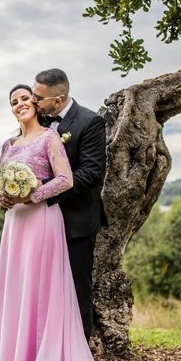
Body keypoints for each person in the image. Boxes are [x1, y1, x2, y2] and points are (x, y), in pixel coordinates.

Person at [0, 84, 144, 361]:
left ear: (37, 103)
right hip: (15, 225)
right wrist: (1, 195)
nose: (20, 105)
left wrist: (31, 192)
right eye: (14, 102)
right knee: (17, 293)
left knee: (43, 293)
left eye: (25, 99)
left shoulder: (50, 138)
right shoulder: (8, 143)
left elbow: (67, 179)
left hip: (43, 220)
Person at [31, 68, 106, 343]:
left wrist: (45, 193)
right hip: (39, 221)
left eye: (38, 97)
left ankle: (79, 358)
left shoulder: (90, 122)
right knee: (41, 290)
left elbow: (91, 173)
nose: (32, 100)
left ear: (58, 99)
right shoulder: (37, 120)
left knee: (76, 291)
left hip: (76, 221)